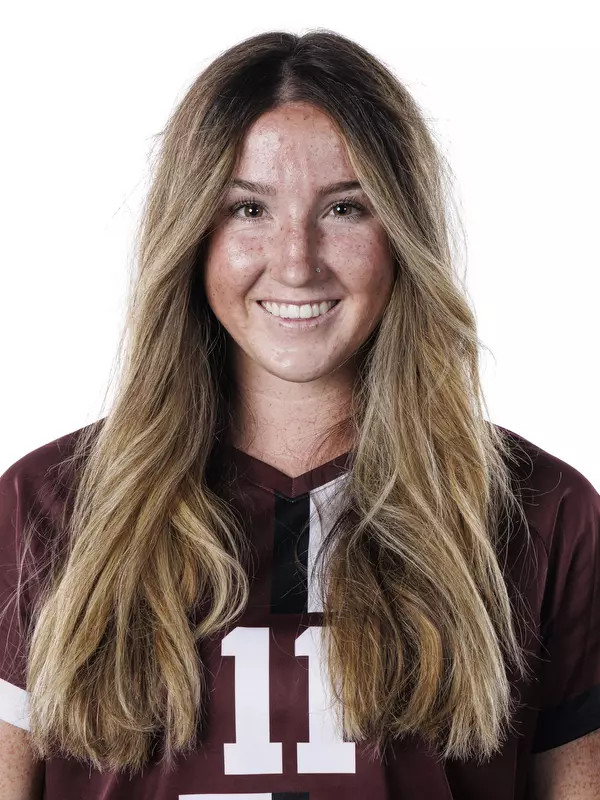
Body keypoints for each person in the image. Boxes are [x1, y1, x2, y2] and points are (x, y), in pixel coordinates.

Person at [1, 28, 599, 800]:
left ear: (403, 235)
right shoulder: (46, 506)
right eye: (249, 208)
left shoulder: (539, 513)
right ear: (193, 235)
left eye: (346, 208)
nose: (295, 261)